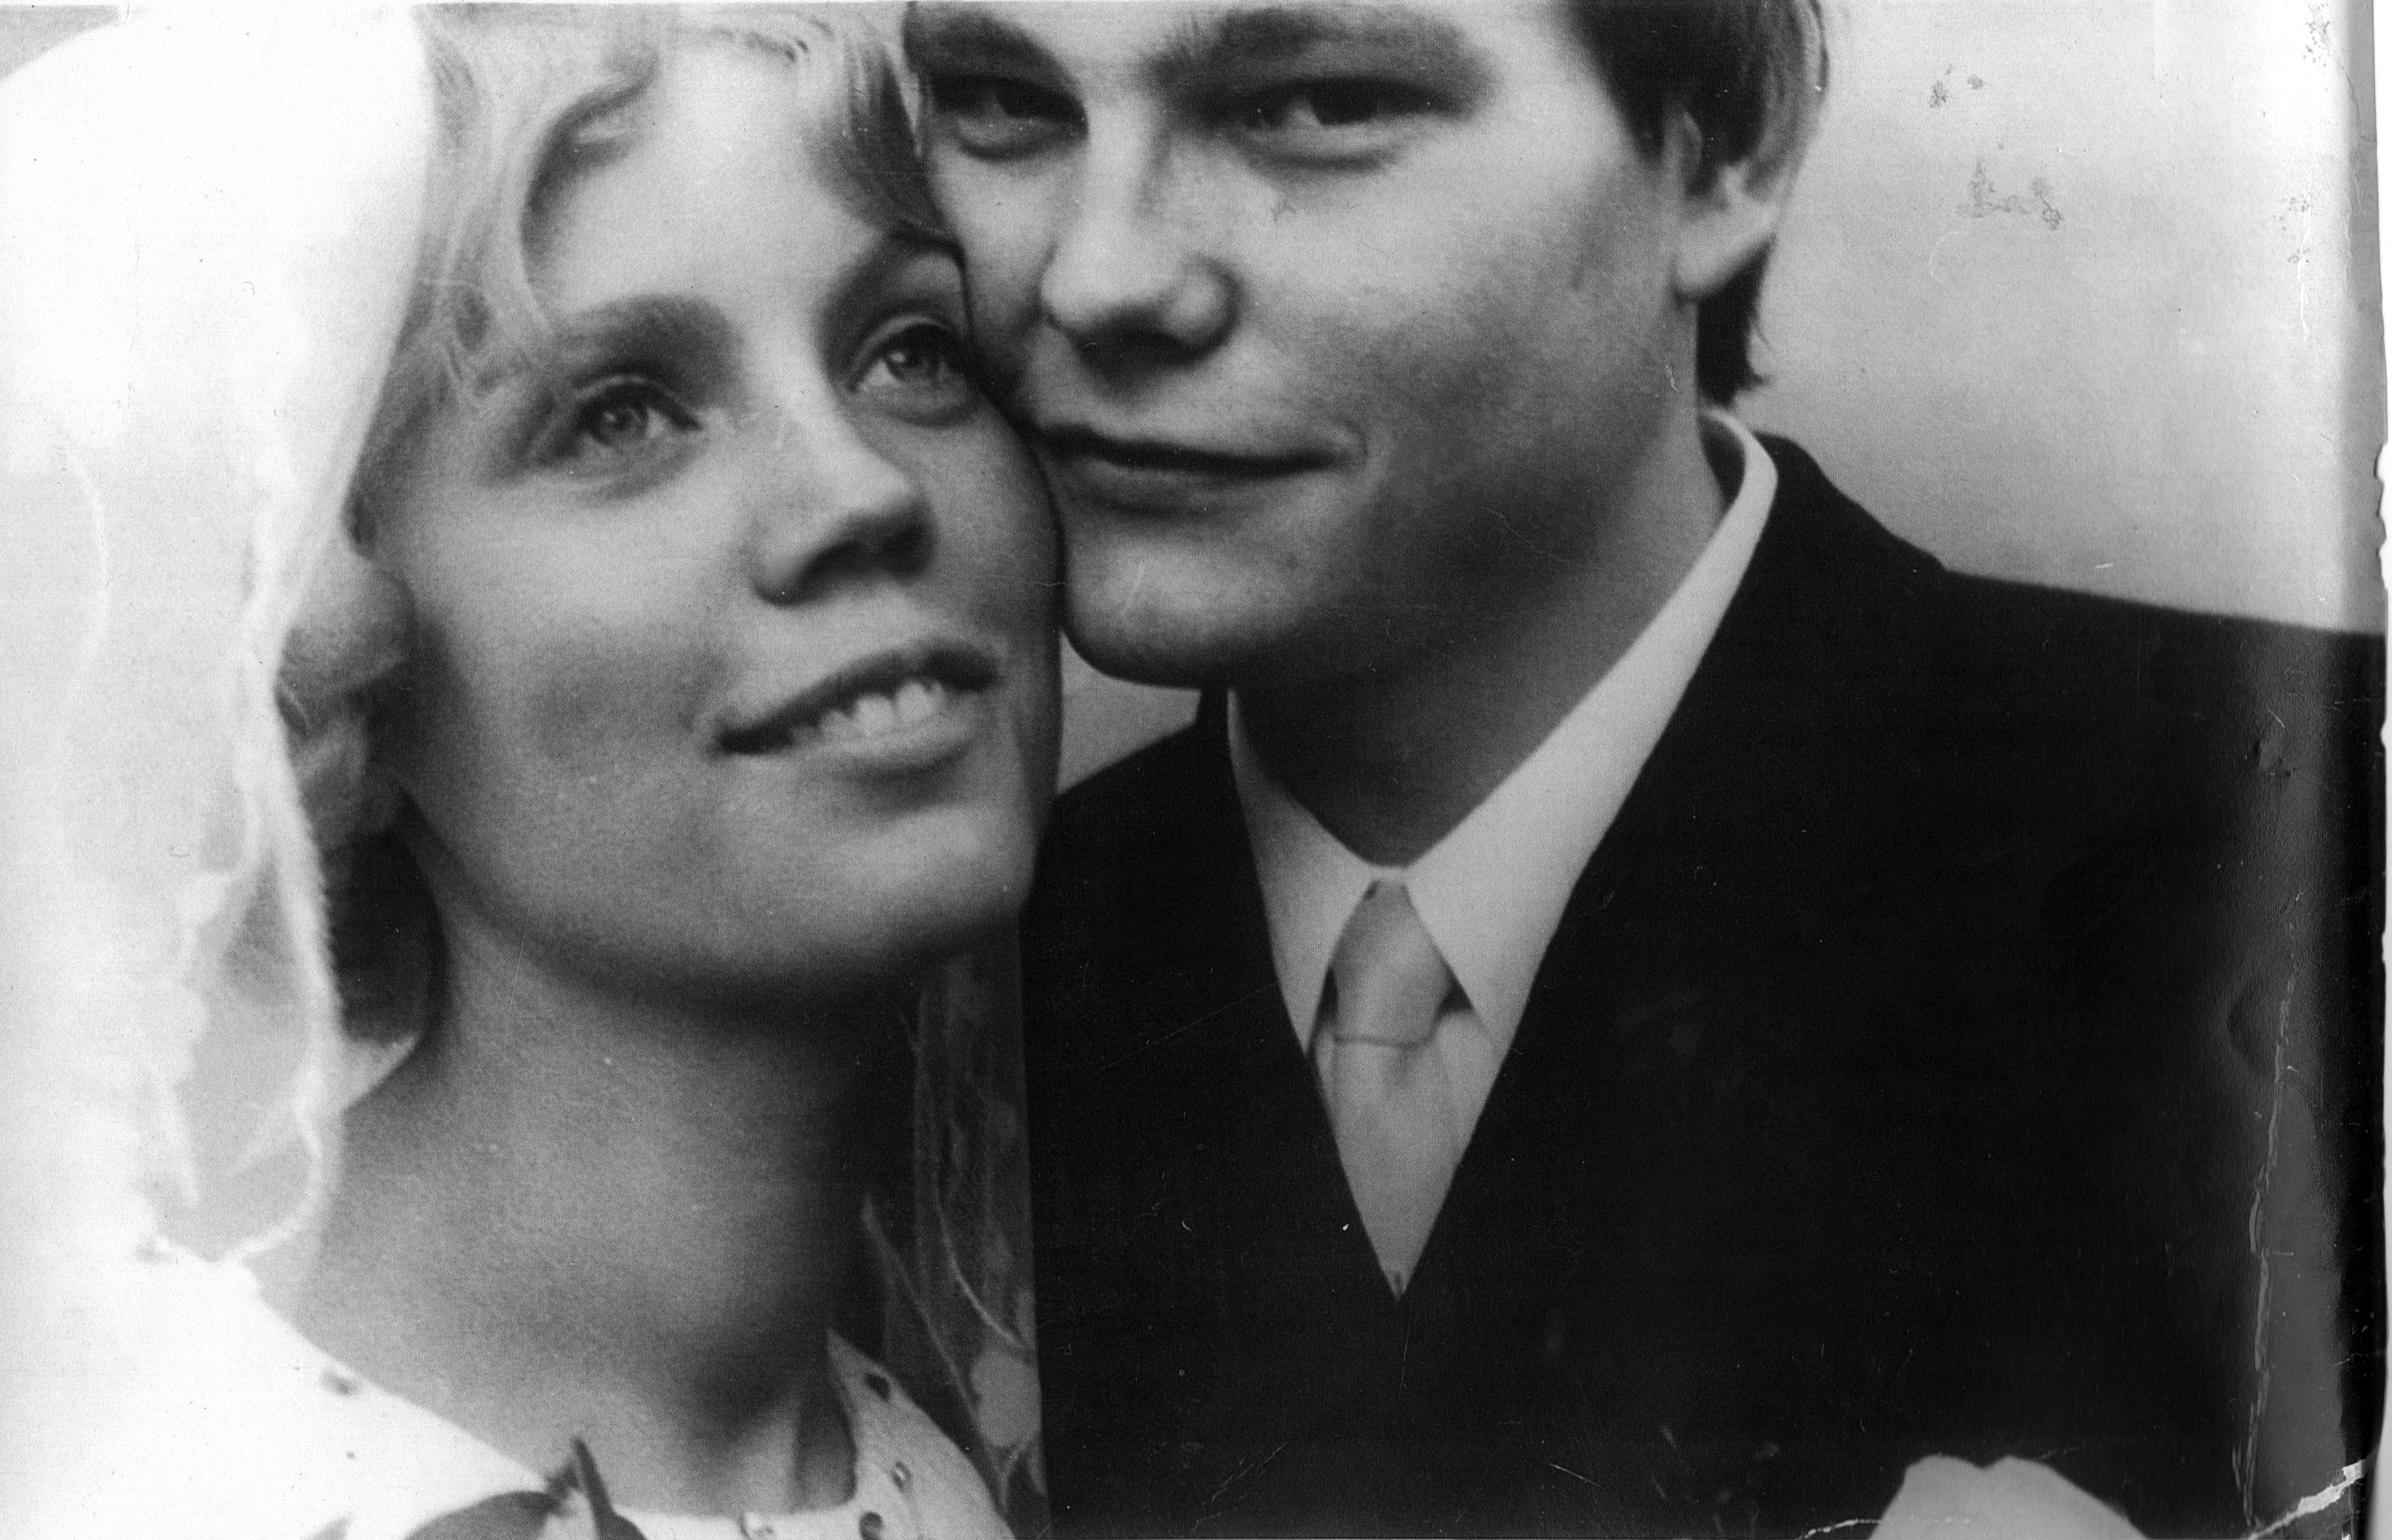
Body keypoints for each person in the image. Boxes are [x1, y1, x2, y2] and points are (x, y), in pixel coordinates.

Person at [902, 2, 2383, 1534]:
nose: (1094, 278)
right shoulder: (916, 1003)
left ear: (1722, 151)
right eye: (1003, 102)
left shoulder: (2325, 846)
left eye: (1320, 105)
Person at [0, 10, 1057, 1538]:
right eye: (620, 413)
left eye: (912, 350)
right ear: (328, 644)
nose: (859, 489)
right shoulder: (153, 1495)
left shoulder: (926, 1461)